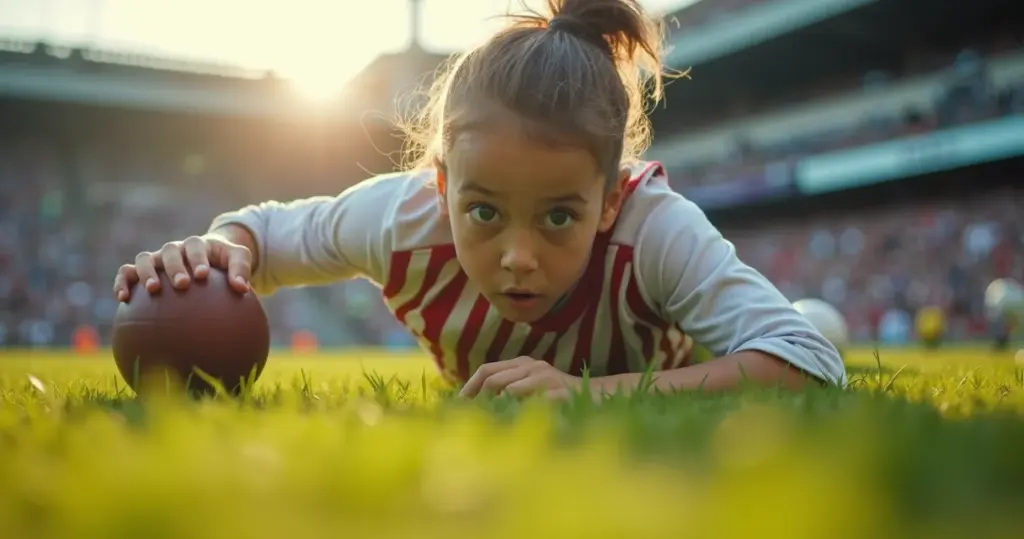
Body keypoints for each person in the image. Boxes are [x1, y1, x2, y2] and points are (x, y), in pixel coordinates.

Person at [111, 0, 847, 399]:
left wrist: (588, 393)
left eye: (559, 215)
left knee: (813, 323)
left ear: (612, 198)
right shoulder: (401, 217)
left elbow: (809, 360)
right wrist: (216, 250)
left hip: (688, 352)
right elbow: (262, 235)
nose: (517, 258)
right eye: (484, 211)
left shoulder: (656, 229)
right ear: (441, 183)